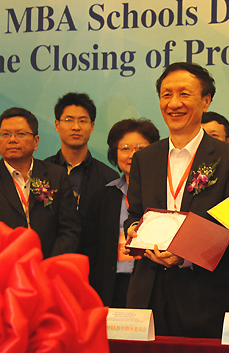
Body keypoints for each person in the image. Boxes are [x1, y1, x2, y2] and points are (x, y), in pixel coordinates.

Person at [124, 62, 229, 338]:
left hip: (205, 297)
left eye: (184, 94)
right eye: (166, 94)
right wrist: (133, 228)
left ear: (206, 101)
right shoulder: (144, 159)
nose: (174, 103)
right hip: (148, 294)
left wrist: (186, 254)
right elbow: (134, 212)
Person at [83, 118, 159, 307]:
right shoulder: (102, 196)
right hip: (112, 286)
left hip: (154, 287)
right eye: (125, 148)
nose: (133, 155)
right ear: (114, 154)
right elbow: (90, 249)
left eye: (141, 148)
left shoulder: (163, 194)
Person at [0, 107, 80, 258]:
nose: (12, 139)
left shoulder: (56, 175)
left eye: (20, 134)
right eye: (5, 134)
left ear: (36, 141)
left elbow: (69, 229)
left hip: (48, 269)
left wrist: (47, 267)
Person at [45, 92, 119, 239]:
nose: (76, 127)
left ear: (92, 127)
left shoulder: (109, 178)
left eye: (83, 121)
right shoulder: (41, 171)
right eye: (69, 120)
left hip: (92, 258)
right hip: (50, 256)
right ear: (57, 125)